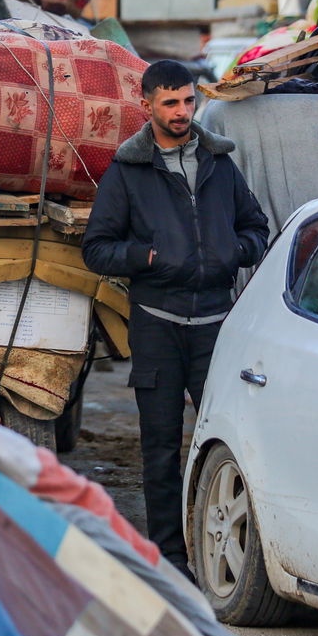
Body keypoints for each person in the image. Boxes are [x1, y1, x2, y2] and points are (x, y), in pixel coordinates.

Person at [82, 59, 270, 580]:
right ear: (147, 105)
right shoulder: (127, 172)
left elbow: (257, 227)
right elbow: (96, 249)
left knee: (230, 441)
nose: (182, 111)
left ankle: (225, 552)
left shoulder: (218, 163)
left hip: (216, 326)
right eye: (170, 103)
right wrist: (148, 258)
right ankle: (169, 558)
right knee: (161, 446)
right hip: (157, 325)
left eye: (188, 100)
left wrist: (235, 250)